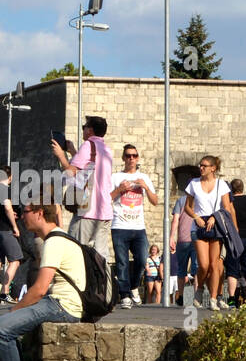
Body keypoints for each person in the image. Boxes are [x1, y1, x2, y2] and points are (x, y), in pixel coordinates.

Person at [0, 203, 82, 361]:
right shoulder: (62, 237)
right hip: (64, 303)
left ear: (39, 213)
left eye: (25, 212)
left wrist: (14, 310)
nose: (21, 217)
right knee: (12, 326)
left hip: (62, 306)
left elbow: (39, 289)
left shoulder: (54, 242)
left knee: (0, 328)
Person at [51, 115, 114, 266]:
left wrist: (60, 155)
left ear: (90, 130)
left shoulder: (87, 146)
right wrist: (73, 151)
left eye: (84, 127)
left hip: (87, 211)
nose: (83, 130)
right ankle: (105, 288)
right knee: (101, 257)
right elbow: (89, 166)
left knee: (76, 253)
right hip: (104, 211)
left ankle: (81, 288)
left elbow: (71, 172)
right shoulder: (106, 149)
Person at [109, 143, 159, 308]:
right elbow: (106, 199)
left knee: (141, 259)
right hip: (119, 226)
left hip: (139, 227)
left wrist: (145, 187)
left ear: (138, 158)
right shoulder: (115, 177)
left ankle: (133, 286)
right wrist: (119, 190)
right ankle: (124, 295)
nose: (131, 158)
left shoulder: (143, 177)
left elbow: (155, 201)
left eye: (134, 155)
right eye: (128, 155)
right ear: (123, 158)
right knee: (122, 262)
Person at [184, 156, 236, 310]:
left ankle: (214, 298)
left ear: (213, 168)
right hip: (199, 227)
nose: (201, 168)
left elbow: (227, 207)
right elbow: (188, 206)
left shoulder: (222, 185)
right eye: (200, 166)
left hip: (216, 226)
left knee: (215, 265)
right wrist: (196, 217)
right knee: (204, 265)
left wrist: (214, 217)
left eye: (205, 166)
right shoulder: (193, 184)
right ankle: (199, 289)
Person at [0, 165, 25, 305]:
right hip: (5, 230)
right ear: (9, 177)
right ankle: (5, 291)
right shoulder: (6, 190)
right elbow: (8, 207)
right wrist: (14, 225)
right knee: (16, 259)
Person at [169, 192, 198, 306]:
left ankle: (181, 296)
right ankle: (196, 297)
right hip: (197, 238)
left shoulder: (181, 200)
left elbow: (175, 220)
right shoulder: (200, 199)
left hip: (182, 239)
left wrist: (172, 237)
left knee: (182, 270)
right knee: (196, 270)